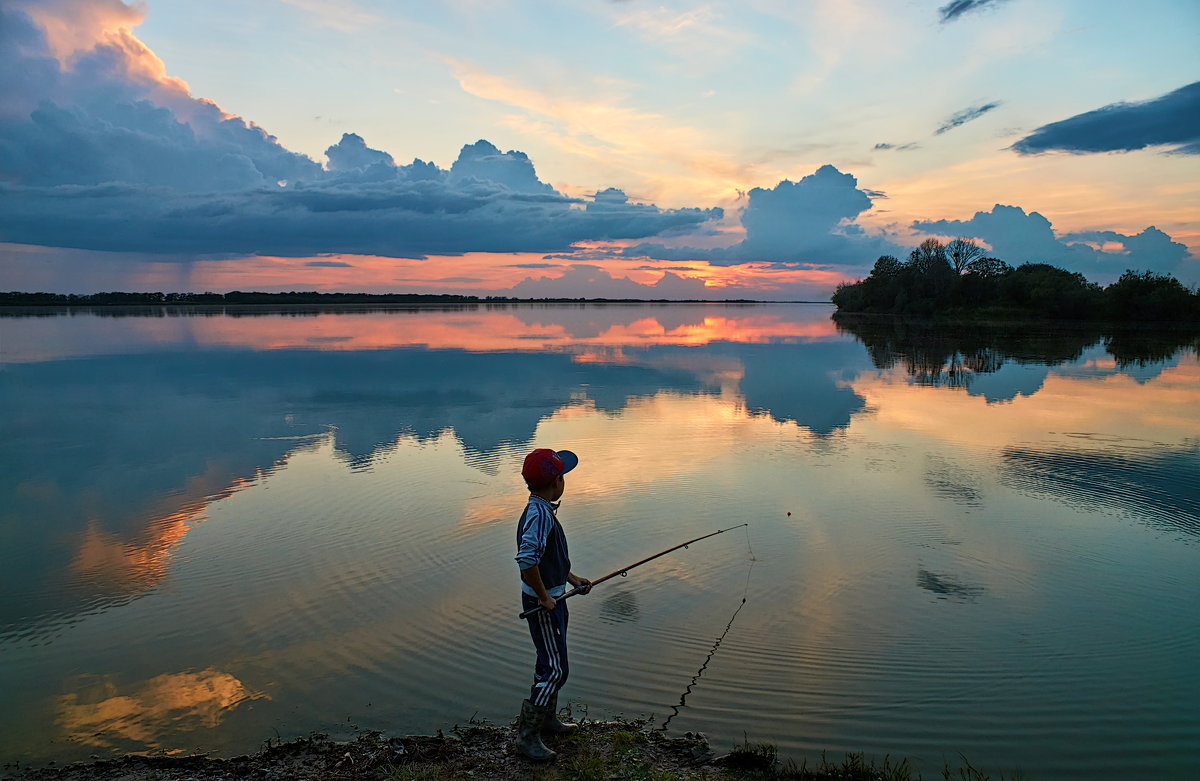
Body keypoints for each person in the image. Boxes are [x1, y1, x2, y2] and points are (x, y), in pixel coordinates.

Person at [513, 448, 592, 761]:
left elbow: (546, 558)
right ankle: (527, 736)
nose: (564, 480)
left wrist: (571, 579)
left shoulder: (542, 509)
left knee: (550, 661)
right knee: (556, 669)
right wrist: (545, 596)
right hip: (544, 603)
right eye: (563, 475)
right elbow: (526, 559)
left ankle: (547, 720)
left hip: (555, 596)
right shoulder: (539, 516)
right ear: (557, 482)